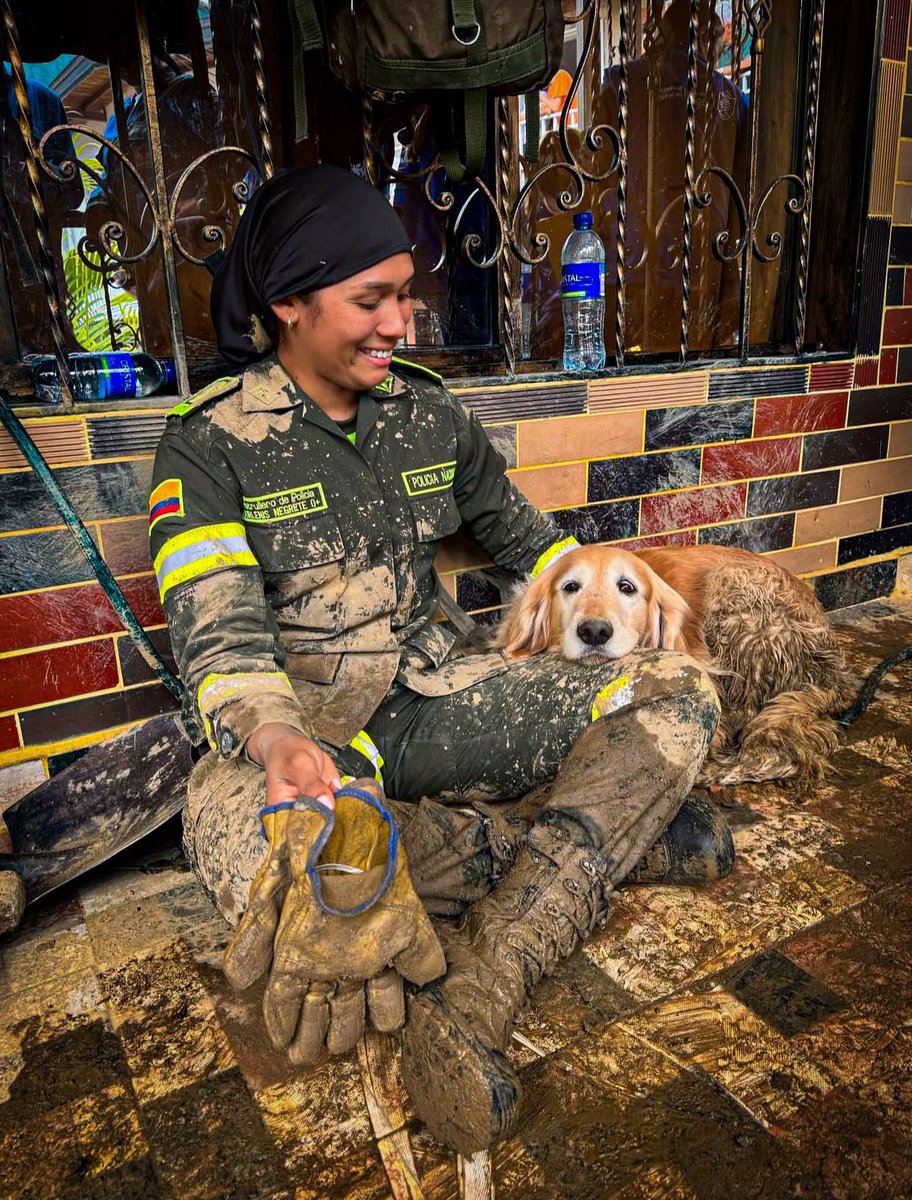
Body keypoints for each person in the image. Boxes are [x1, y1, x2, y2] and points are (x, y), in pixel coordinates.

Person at [148, 164, 732, 1156]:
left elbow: (527, 540)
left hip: (440, 701)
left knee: (675, 695)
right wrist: (280, 739)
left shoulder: (429, 413)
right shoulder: (209, 447)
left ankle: (491, 975)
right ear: (288, 303)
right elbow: (220, 634)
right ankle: (589, 841)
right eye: (368, 301)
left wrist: (594, 598)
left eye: (405, 297)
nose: (399, 325)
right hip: (308, 746)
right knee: (284, 877)